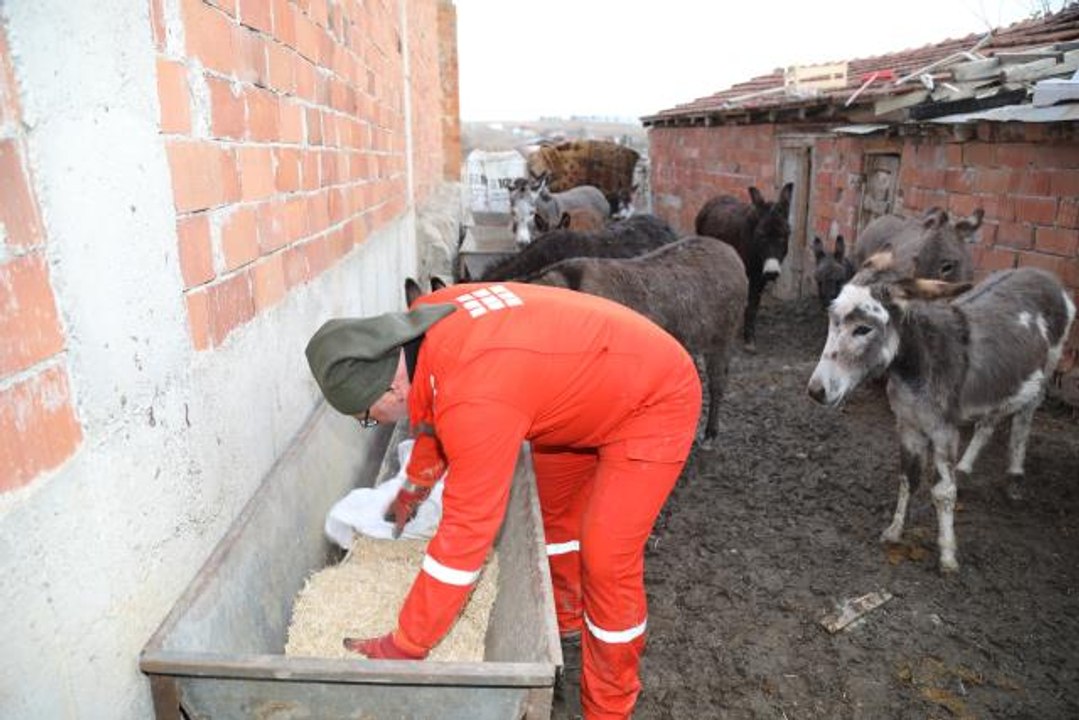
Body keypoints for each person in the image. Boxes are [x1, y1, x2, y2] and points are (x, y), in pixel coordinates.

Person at [305, 281, 701, 720]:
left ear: (389, 393)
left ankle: (609, 707)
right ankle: (567, 621)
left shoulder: (474, 395)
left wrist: (405, 644)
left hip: (653, 398)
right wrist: (411, 494)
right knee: (555, 517)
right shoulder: (427, 322)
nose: (372, 424)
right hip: (589, 384)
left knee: (607, 557)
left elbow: (467, 532)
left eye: (366, 419)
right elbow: (434, 410)